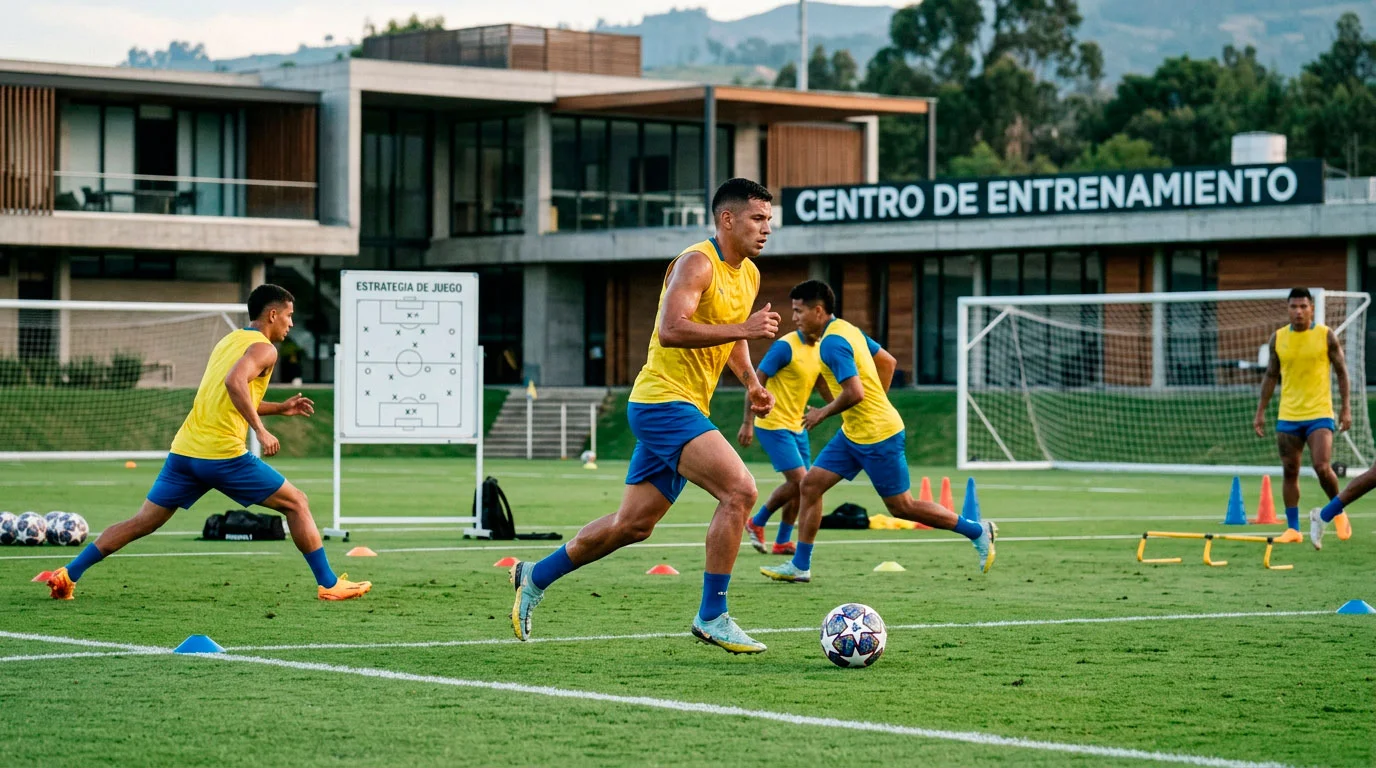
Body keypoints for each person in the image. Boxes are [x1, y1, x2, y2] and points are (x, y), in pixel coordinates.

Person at [507, 178, 781, 654]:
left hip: (684, 406)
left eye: (769, 220)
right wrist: (747, 326)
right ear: (727, 219)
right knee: (740, 490)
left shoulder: (749, 275)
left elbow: (731, 337)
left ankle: (535, 575)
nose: (766, 229)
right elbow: (672, 329)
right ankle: (712, 615)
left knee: (632, 525)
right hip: (662, 402)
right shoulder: (697, 262)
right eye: (758, 219)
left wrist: (753, 382)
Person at [47, 284, 371, 601]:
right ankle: (329, 584)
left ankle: (68, 575)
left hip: (185, 452)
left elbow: (232, 394)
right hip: (221, 455)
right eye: (289, 315)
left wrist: (279, 409)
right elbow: (234, 383)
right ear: (273, 314)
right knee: (296, 503)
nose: (292, 323)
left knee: (141, 523)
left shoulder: (230, 341)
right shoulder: (265, 348)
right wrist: (260, 429)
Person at [761, 280, 996, 583]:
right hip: (854, 433)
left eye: (799, 311)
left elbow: (855, 392)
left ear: (818, 311)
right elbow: (888, 361)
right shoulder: (846, 329)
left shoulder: (832, 343)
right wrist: (877, 401)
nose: (794, 318)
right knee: (810, 485)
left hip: (878, 435)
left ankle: (978, 531)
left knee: (902, 508)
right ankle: (800, 566)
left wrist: (823, 412)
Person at [1252, 287, 1353, 546]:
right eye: (1293, 307)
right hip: (1288, 415)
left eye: (1303, 306)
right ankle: (1293, 529)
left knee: (1321, 466)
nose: (1298, 311)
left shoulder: (1325, 336)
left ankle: (1338, 512)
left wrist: (1345, 408)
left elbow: (1342, 371)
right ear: (1287, 309)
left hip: (1319, 413)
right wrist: (1261, 411)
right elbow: (1271, 375)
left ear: (1311, 309)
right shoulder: (1278, 338)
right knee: (1289, 470)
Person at [738, 317, 828, 556]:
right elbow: (756, 383)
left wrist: (839, 406)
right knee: (801, 482)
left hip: (798, 426)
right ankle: (756, 522)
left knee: (804, 487)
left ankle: (782, 542)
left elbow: (821, 384)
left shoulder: (820, 349)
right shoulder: (784, 347)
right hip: (773, 423)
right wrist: (747, 422)